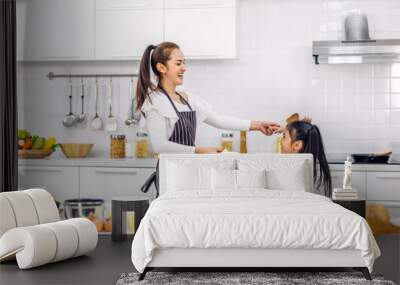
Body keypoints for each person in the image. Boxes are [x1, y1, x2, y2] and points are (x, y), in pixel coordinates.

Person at [136, 42, 280, 154]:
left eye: (184, 63)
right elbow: (159, 145)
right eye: (178, 63)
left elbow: (220, 120)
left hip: (190, 169)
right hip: (170, 172)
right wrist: (199, 151)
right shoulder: (154, 101)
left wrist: (257, 125)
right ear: (162, 68)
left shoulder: (187, 99)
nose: (184, 68)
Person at [280, 120, 332, 197]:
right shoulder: (312, 166)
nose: (280, 141)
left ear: (297, 145)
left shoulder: (295, 171)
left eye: (284, 136)